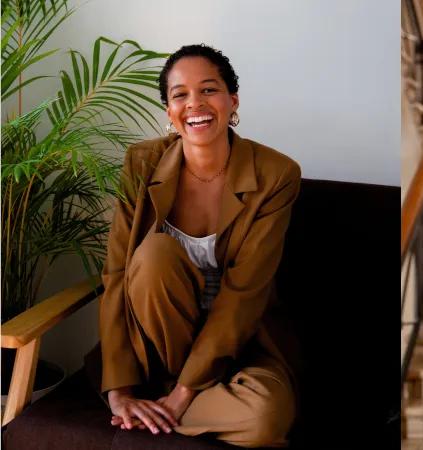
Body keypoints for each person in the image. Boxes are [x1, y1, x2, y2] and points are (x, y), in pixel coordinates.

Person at [94, 44, 302, 448]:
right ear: (169, 110)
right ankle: (156, 400)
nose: (195, 104)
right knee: (154, 255)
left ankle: (163, 407)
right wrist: (118, 392)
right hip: (154, 352)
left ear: (232, 100)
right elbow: (117, 272)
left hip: (239, 349)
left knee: (265, 417)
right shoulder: (141, 163)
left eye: (209, 90)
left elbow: (243, 296)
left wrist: (181, 395)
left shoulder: (277, 175)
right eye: (179, 95)